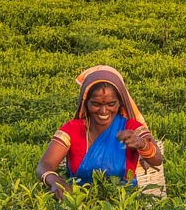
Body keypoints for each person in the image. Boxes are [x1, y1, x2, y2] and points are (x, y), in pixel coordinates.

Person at [39, 64, 164, 193]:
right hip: (79, 204)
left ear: (120, 103)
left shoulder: (131, 127)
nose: (103, 111)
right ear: (85, 103)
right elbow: (44, 165)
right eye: (96, 104)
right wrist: (55, 181)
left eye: (111, 104)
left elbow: (157, 160)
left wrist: (142, 145)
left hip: (124, 207)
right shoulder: (72, 130)